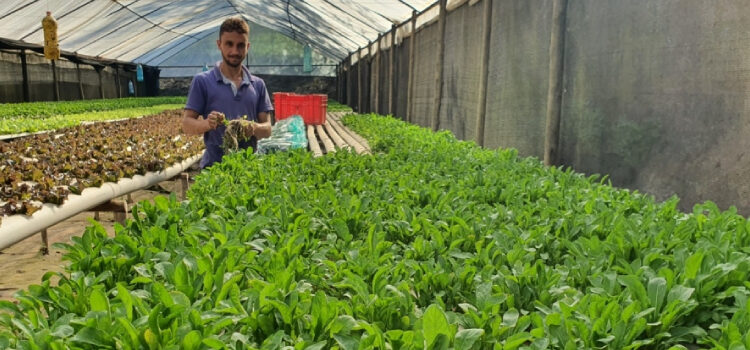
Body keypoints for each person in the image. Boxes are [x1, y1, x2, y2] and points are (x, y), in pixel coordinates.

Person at [182, 17, 273, 168]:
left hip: (248, 170)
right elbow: (187, 124)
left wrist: (253, 128)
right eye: (229, 44)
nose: (234, 51)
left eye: (240, 45)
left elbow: (268, 129)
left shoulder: (258, 85)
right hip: (214, 169)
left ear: (247, 47)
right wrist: (208, 124)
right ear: (219, 44)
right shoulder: (202, 81)